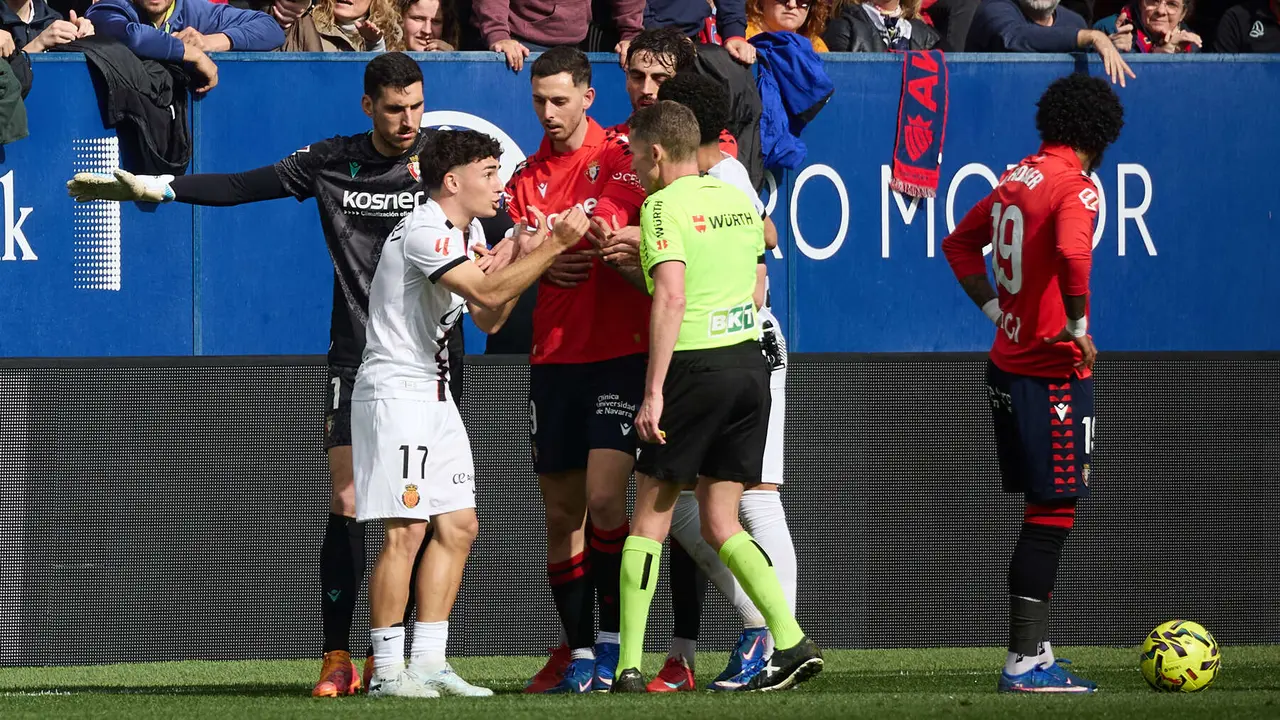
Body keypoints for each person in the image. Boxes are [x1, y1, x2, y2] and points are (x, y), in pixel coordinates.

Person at [65, 52, 468, 699]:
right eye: (395, 108)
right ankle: (337, 655)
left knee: (421, 513)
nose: (408, 120)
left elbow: (504, 216)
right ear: (369, 106)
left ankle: (395, 656)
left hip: (434, 364)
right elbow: (241, 186)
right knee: (350, 502)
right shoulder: (332, 160)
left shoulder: (445, 164)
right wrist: (159, 187)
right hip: (357, 358)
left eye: (417, 107)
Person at [358, 128, 589, 698]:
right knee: (407, 532)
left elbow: (489, 318)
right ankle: (387, 671)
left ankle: (430, 661)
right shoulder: (424, 230)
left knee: (459, 526)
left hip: (436, 396)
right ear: (453, 181)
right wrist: (553, 247)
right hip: (397, 393)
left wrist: (522, 253)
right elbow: (486, 296)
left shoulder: (466, 233)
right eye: (489, 173)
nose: (500, 184)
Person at [611, 100, 822, 694]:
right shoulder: (737, 196)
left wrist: (653, 393)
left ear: (656, 154)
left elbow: (671, 299)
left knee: (648, 520)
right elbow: (757, 284)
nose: (632, 165)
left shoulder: (660, 206)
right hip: (749, 366)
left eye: (633, 154)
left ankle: (628, 666)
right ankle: (790, 639)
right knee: (724, 519)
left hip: (694, 367)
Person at [941, 72, 1124, 693]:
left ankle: (1035, 651)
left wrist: (999, 315)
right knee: (1053, 511)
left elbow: (958, 245)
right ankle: (1025, 662)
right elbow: (1075, 255)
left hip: (1008, 364)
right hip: (1050, 373)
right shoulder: (1077, 185)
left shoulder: (1016, 177)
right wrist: (1077, 323)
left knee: (1040, 511)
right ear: (1102, 134)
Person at [496, 45, 648, 694]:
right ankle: (580, 653)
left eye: (561, 100)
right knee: (563, 517)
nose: (549, 112)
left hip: (618, 350)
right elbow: (510, 264)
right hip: (553, 356)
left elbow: (612, 217)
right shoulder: (524, 178)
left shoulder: (619, 152)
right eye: (539, 101)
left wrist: (561, 238)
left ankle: (616, 642)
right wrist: (539, 257)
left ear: (589, 95)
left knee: (608, 500)